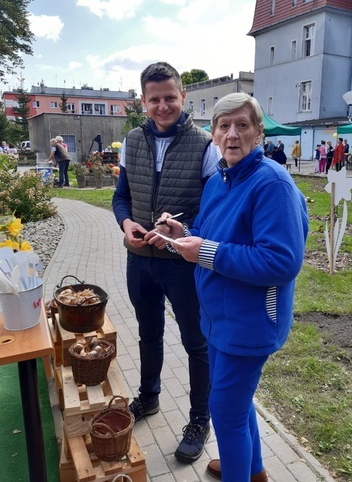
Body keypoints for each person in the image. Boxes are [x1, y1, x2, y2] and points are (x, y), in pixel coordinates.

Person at [160, 93, 308, 482]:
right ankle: (253, 470)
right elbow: (214, 239)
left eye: (243, 125)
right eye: (223, 126)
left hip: (251, 322)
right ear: (212, 134)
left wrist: (205, 251)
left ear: (259, 132)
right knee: (237, 409)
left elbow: (282, 261)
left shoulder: (272, 183)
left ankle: (239, 472)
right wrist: (185, 234)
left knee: (224, 412)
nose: (232, 134)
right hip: (218, 318)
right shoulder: (219, 181)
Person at [112, 61, 220, 464]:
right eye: (154, 99)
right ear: (143, 101)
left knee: (196, 342)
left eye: (169, 97)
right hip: (140, 259)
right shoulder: (131, 142)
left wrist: (183, 229)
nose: (162, 106)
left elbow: (212, 209)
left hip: (182, 263)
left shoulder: (205, 144)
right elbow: (121, 196)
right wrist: (125, 224)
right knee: (149, 333)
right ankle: (150, 396)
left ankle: (199, 418)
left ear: (183, 96)